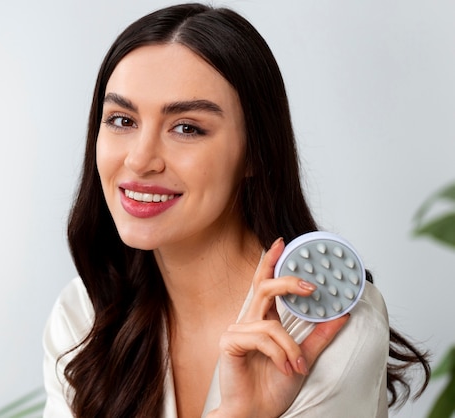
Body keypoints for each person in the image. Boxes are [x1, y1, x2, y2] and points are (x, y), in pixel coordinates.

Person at [43, 3, 430, 417]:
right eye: (122, 120)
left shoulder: (324, 329)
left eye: (187, 127)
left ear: (255, 155)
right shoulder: (84, 314)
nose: (140, 160)